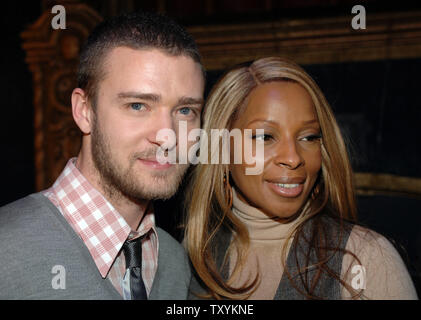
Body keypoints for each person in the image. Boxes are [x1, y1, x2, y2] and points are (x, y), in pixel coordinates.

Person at [0, 12, 205, 299]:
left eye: (185, 111)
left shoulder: (175, 263)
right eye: (137, 105)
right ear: (84, 111)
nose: (166, 135)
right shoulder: (6, 251)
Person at [184, 57, 418, 300]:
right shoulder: (189, 258)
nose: (293, 158)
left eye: (309, 137)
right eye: (265, 137)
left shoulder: (365, 258)